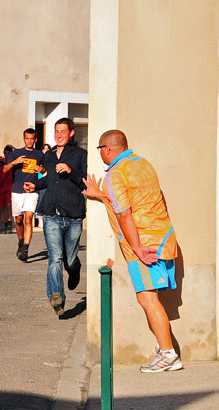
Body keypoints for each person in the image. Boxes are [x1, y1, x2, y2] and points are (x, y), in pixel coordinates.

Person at [83, 130, 181, 372]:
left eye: (99, 150)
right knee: (150, 298)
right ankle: (164, 347)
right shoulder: (142, 164)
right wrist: (100, 197)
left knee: (147, 298)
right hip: (162, 238)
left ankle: (169, 355)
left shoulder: (115, 174)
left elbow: (124, 213)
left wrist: (137, 248)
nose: (101, 155)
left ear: (107, 149)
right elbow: (131, 201)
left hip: (145, 245)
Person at [23, 118, 87, 316]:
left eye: (63, 131)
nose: (59, 135)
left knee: (69, 259)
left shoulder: (80, 154)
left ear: (71, 133)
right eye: (56, 131)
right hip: (52, 213)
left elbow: (85, 182)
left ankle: (74, 268)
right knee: (55, 258)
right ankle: (57, 297)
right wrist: (36, 185)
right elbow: (49, 180)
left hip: (74, 214)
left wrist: (70, 171)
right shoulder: (48, 156)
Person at [5, 128, 45, 261]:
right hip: (17, 191)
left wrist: (41, 169)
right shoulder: (16, 153)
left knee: (28, 219)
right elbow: (4, 169)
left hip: (32, 191)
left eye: (32, 138)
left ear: (35, 139)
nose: (29, 141)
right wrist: (15, 162)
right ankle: (21, 242)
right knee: (18, 220)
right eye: (27, 138)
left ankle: (26, 249)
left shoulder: (39, 155)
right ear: (23, 139)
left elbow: (45, 170)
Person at [0, 145, 14, 233]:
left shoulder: (13, 162)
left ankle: (9, 222)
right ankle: (4, 223)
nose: (7, 155)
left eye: (9, 153)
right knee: (2, 207)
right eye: (5, 153)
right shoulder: (0, 161)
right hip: (2, 187)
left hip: (10, 187)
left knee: (9, 205)